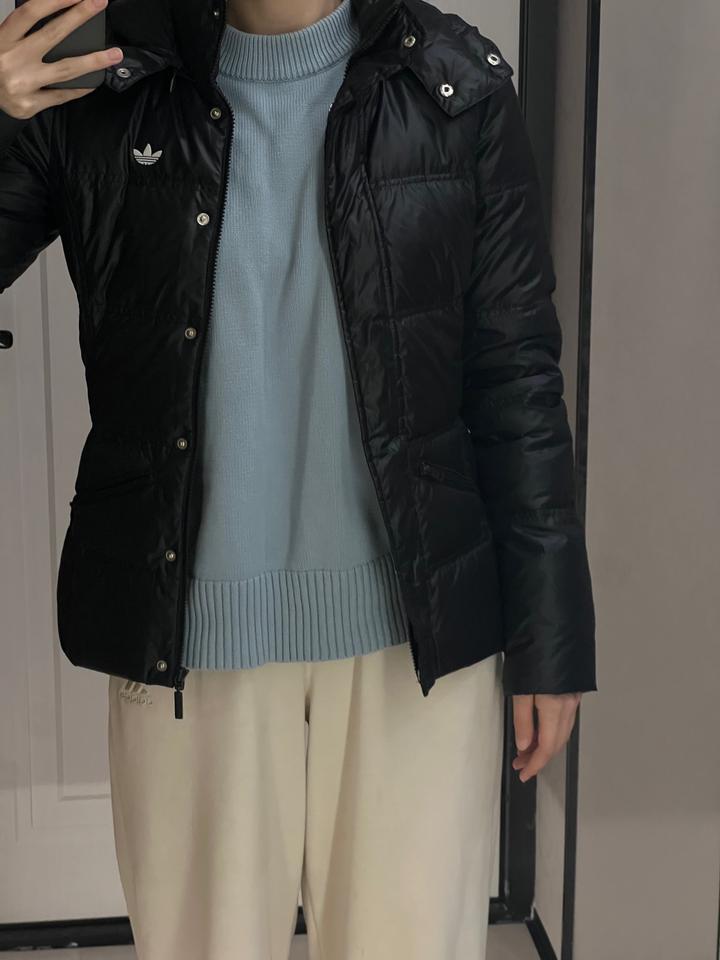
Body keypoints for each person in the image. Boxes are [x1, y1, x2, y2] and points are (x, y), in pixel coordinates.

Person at [0, 0, 598, 957]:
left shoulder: (456, 84)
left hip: (417, 645)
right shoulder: (104, 79)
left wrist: (550, 637)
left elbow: (515, 373)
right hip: (189, 639)